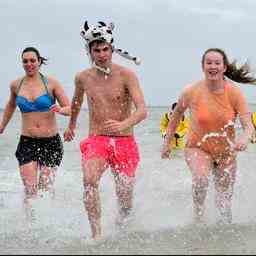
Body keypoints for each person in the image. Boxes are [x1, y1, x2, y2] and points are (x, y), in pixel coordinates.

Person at [64, 20, 147, 239]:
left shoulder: (127, 75)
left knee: (125, 196)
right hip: (97, 138)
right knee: (89, 179)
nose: (101, 54)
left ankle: (123, 225)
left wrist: (123, 124)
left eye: (105, 49)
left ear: (112, 49)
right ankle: (96, 234)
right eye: (96, 50)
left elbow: (142, 110)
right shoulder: (83, 77)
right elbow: (75, 103)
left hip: (124, 140)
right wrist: (71, 125)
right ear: (89, 51)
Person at [161, 48, 255, 224]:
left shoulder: (234, 93)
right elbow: (175, 116)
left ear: (224, 67)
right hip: (198, 147)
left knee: (224, 202)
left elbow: (248, 125)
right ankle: (198, 220)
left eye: (217, 63)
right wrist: (167, 143)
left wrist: (244, 138)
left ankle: (224, 235)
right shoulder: (191, 91)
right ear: (203, 66)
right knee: (201, 179)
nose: (213, 66)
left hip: (226, 151)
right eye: (209, 63)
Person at [0, 47, 70, 219]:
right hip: (27, 142)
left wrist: (60, 110)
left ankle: (48, 221)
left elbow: (70, 108)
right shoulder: (16, 85)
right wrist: (1, 126)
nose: (29, 64)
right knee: (30, 189)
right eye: (25, 61)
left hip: (50, 142)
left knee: (45, 188)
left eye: (32, 60)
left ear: (39, 61)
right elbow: (10, 106)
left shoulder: (51, 83)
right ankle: (30, 225)